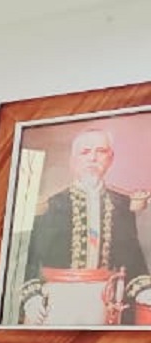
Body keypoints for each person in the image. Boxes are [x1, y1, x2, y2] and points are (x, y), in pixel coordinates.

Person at [22, 127, 150, 322]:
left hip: (105, 301)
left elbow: (131, 255)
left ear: (110, 158)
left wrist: (144, 290)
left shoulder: (122, 204)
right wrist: (31, 297)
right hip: (56, 300)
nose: (93, 158)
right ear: (73, 160)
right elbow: (30, 257)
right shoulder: (50, 204)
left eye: (101, 151)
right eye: (85, 152)